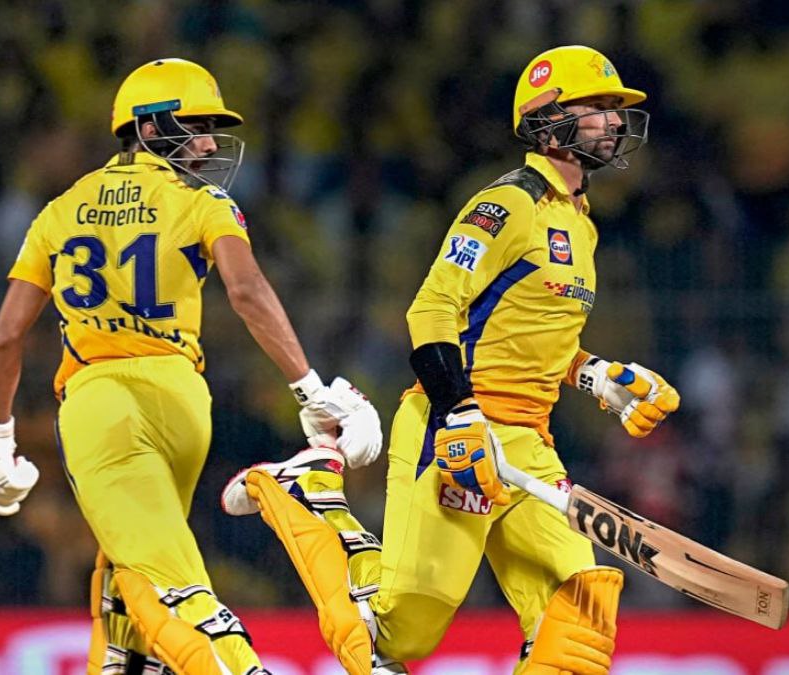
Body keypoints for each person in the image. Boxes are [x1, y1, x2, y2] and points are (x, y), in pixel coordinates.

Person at [223, 45, 680, 675]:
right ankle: (307, 494)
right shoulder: (508, 205)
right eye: (597, 107)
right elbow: (432, 309)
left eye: (615, 109)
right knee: (398, 636)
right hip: (456, 432)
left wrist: (595, 374)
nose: (614, 121)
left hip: (528, 444)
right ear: (548, 119)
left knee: (580, 618)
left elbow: (526, 333)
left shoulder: (580, 221)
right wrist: (459, 412)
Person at [0, 57, 383, 675]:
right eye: (197, 127)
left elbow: (5, 338)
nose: (210, 144)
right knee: (130, 554)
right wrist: (308, 388)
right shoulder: (203, 201)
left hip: (101, 405)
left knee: (164, 578)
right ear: (150, 128)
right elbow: (247, 291)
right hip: (183, 400)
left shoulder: (59, 211)